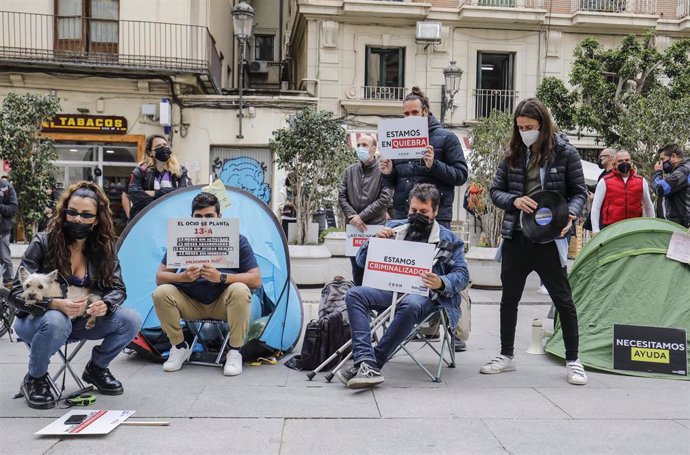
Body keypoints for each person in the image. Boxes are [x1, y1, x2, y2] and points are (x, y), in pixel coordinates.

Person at [484, 97, 588, 385]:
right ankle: (506, 356)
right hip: (517, 236)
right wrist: (515, 200)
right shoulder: (512, 153)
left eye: (529, 127)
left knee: (563, 300)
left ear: (543, 125)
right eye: (519, 127)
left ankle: (573, 360)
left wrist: (572, 213)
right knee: (509, 299)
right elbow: (495, 192)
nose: (524, 132)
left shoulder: (565, 152)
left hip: (550, 238)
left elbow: (579, 192)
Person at [9, 181, 140, 409]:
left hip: (80, 322)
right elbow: (15, 293)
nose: (77, 219)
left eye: (85, 214)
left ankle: (97, 368)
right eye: (72, 212)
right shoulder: (43, 241)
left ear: (97, 219)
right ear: (64, 212)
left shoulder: (104, 246)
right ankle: (35, 378)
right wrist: (53, 303)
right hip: (36, 321)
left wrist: (105, 305)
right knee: (56, 320)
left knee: (130, 320)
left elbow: (118, 289)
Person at [337, 184, 469, 389]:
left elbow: (462, 275)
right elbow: (362, 261)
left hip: (426, 296)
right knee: (355, 294)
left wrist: (442, 282)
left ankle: (373, 363)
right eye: (413, 211)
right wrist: (373, 242)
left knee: (411, 304)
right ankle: (365, 360)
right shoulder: (395, 228)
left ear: (435, 211)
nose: (417, 215)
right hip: (390, 290)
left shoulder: (449, 240)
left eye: (423, 212)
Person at [152, 192, 261, 376]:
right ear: (192, 219)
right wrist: (182, 278)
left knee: (240, 290)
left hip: (224, 304)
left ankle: (234, 352)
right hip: (190, 303)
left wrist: (222, 277)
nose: (204, 222)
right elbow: (159, 277)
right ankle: (179, 346)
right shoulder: (181, 239)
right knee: (161, 292)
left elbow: (255, 279)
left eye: (210, 217)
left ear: (219, 218)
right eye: (199, 217)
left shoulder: (237, 240)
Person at [379, 87, 468, 229]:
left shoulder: (447, 137)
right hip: (404, 215)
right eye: (406, 114)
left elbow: (461, 176)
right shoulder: (398, 139)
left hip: (435, 217)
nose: (410, 117)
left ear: (425, 112)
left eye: (415, 112)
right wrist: (388, 173)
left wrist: (434, 165)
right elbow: (394, 183)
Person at [338, 134, 392, 286]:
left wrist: (361, 217)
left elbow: (385, 199)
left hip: (375, 228)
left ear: (374, 148)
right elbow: (341, 197)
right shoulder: (350, 171)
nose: (361, 148)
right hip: (354, 230)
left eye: (365, 145)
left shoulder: (383, 171)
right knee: (357, 272)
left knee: (375, 270)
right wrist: (353, 217)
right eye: (359, 145)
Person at [128, 135, 191, 220]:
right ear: (150, 152)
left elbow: (185, 193)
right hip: (145, 220)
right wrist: (166, 203)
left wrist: (155, 193)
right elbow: (136, 196)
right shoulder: (141, 171)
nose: (163, 148)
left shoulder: (181, 171)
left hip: (174, 221)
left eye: (165, 145)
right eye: (158, 146)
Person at [590, 150, 654, 233]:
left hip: (634, 228)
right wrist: (595, 230)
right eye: (620, 161)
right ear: (614, 164)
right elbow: (596, 206)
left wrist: (651, 227)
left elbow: (648, 205)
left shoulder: (641, 181)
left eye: (627, 160)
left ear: (631, 162)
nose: (624, 163)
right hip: (611, 228)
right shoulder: (605, 181)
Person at [652, 144, 690, 228]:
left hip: (680, 226)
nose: (661, 163)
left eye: (662, 159)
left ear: (673, 156)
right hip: (675, 225)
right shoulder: (678, 171)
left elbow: (660, 189)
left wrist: (657, 173)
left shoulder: (684, 171)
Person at [0, 176, 18, 288]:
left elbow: (13, 208)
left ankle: (9, 283)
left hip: (2, 230)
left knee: (4, 257)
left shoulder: (6, 187)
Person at [277, 173, 297, 238]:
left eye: (294, 180)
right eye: (291, 180)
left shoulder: (297, 190)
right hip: (286, 218)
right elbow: (280, 205)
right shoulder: (283, 190)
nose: (293, 182)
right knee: (286, 238)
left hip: (296, 218)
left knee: (294, 238)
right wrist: (288, 204)